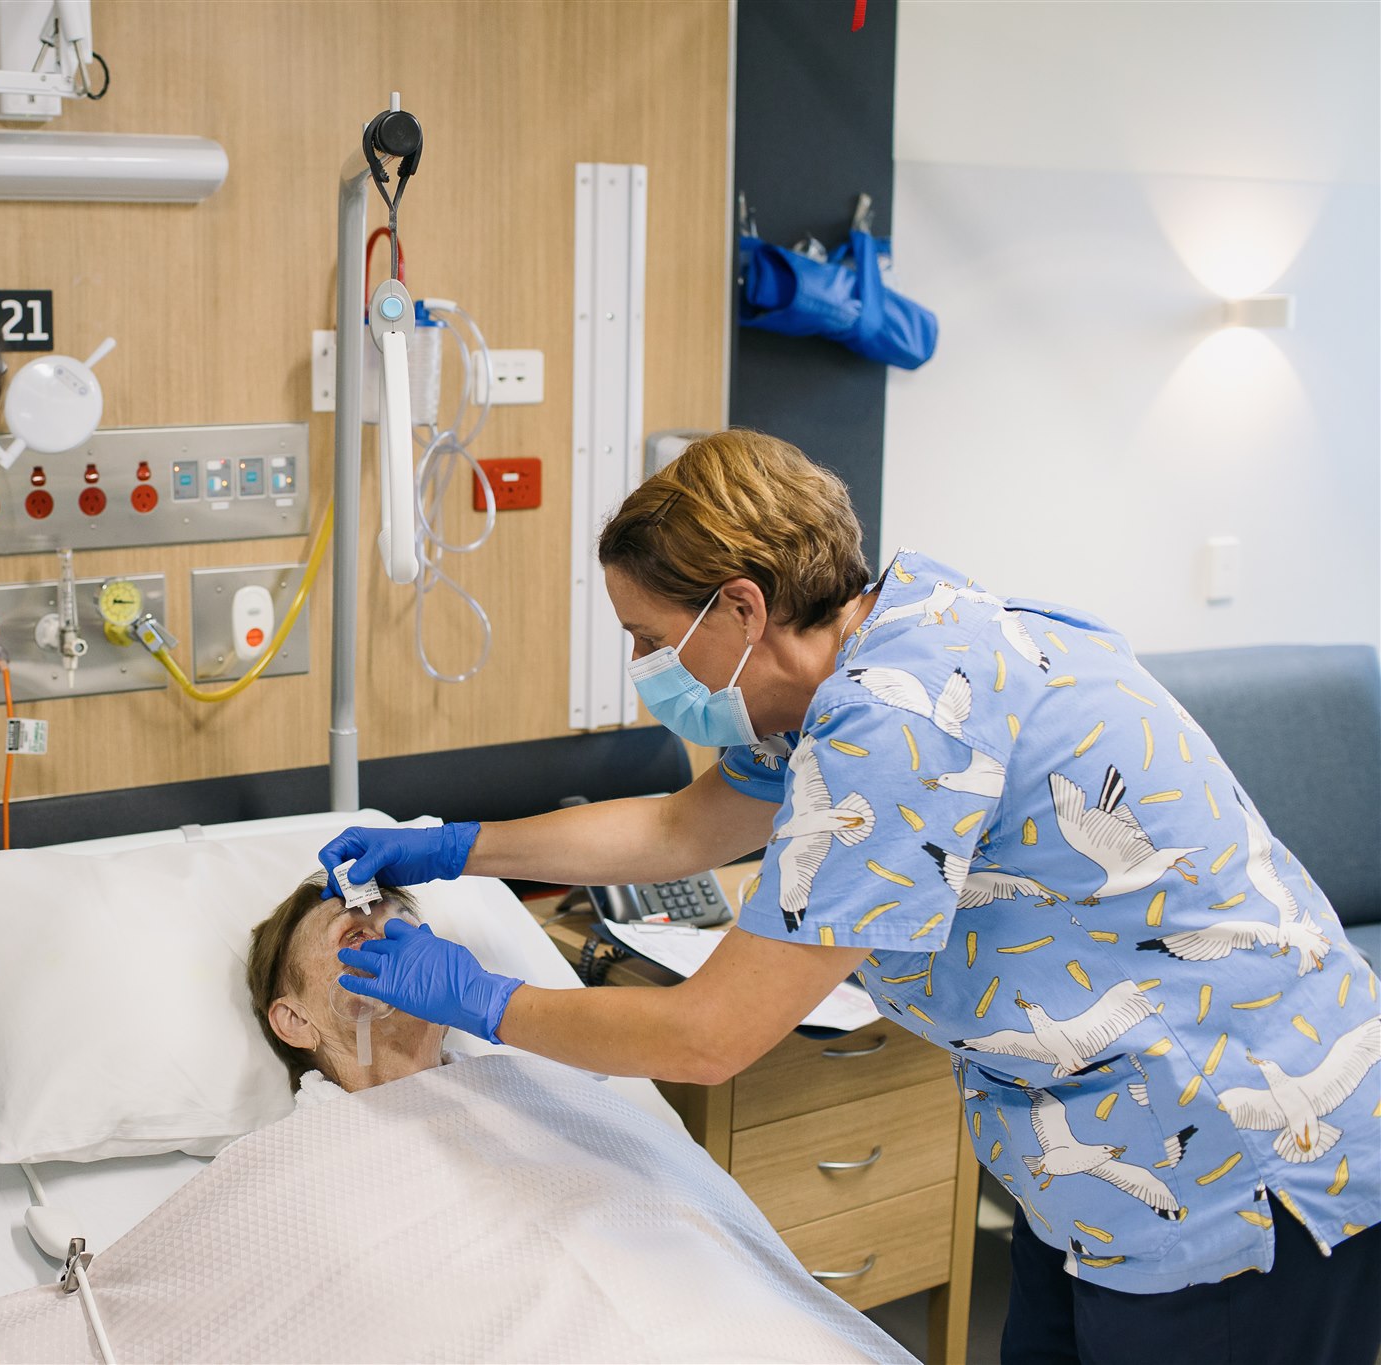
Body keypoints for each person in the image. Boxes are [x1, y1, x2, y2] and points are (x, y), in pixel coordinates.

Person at [319, 429, 1381, 1365]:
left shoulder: (895, 729)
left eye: (647, 636)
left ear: (740, 606)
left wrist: (474, 994)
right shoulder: (887, 643)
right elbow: (678, 828)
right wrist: (452, 848)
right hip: (1107, 1163)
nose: (640, 664)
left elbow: (706, 1037)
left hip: (1239, 1161)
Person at [246, 876, 450, 1101]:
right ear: (296, 1021)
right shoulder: (300, 1137)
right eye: (355, 936)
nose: (402, 946)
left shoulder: (494, 1080)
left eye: (408, 927)